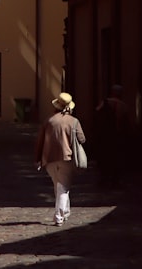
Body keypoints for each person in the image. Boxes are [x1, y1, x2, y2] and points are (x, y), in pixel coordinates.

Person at [34, 92, 86, 226]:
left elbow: (40, 141)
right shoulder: (73, 121)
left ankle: (66, 212)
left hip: (49, 159)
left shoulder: (49, 120)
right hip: (66, 158)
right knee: (63, 187)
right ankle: (59, 216)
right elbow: (82, 139)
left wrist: (38, 158)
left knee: (59, 186)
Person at [94, 84, 130, 187]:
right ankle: (115, 179)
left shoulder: (104, 103)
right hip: (118, 136)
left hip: (105, 136)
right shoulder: (123, 105)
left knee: (105, 157)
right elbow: (126, 122)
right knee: (116, 157)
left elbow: (97, 115)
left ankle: (104, 177)